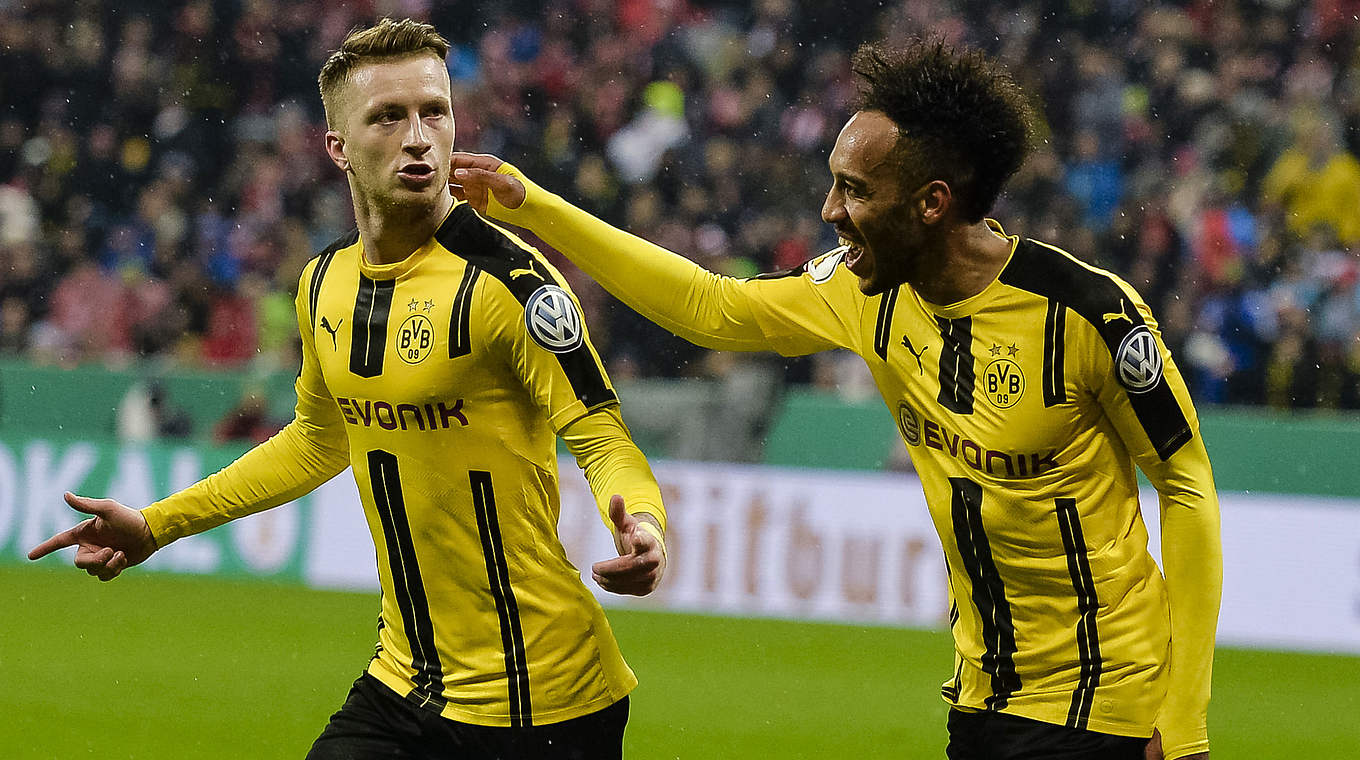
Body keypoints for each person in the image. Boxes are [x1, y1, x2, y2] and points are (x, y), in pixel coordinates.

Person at [450, 40, 1221, 760]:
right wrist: (533, 206)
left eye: (855, 190)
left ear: (931, 203)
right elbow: (711, 307)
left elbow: (1186, 484)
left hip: (1105, 706)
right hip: (984, 699)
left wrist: (1184, 717)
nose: (829, 210)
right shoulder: (862, 291)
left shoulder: (1088, 315)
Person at [28, 18, 666, 760]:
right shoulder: (323, 283)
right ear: (338, 147)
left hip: (542, 702)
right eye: (388, 117)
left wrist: (644, 522)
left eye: (434, 112)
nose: (419, 138)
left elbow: (602, 435)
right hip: (403, 684)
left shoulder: (512, 286)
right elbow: (316, 441)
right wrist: (156, 524)